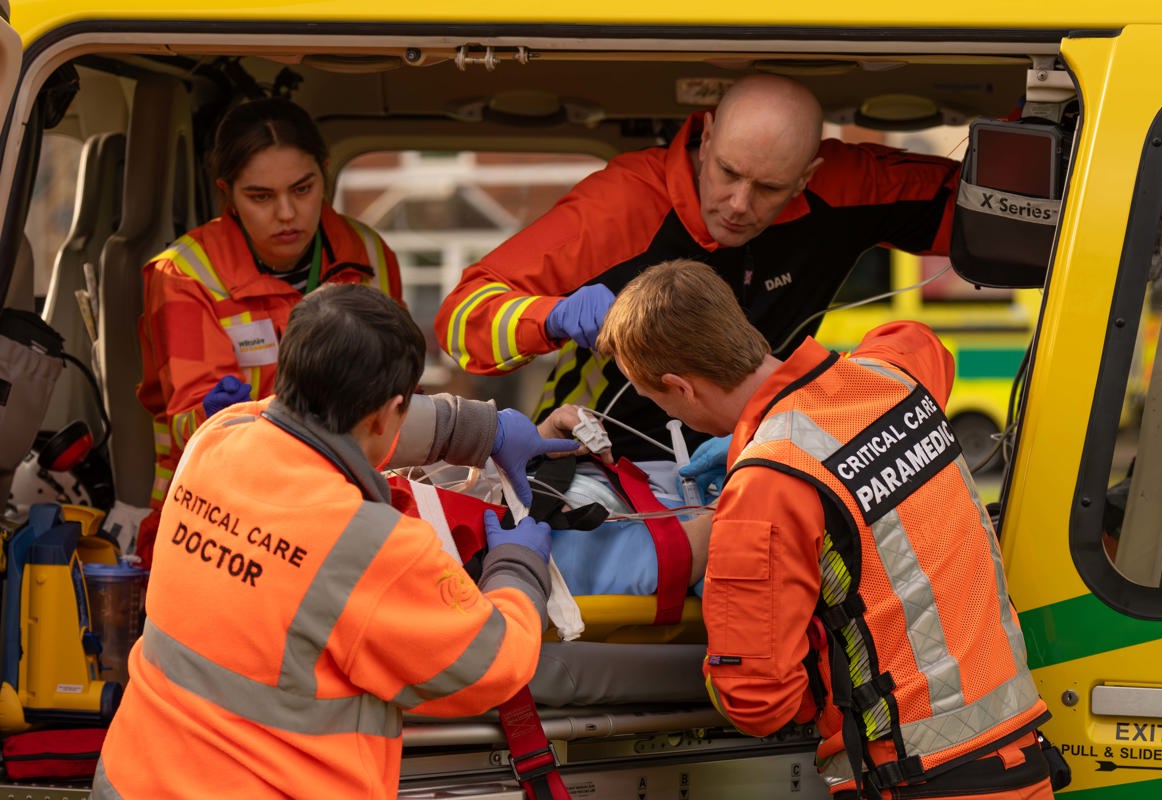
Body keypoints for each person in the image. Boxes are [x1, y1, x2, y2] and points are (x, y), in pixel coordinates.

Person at [595, 259, 1054, 799]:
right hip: (1019, 753)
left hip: (915, 777)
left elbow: (757, 700)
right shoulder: (891, 378)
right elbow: (914, 338)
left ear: (681, 388)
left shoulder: (765, 489)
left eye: (655, 401)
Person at [94, 284, 558, 798]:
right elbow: (491, 666)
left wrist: (472, 428)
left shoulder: (218, 437)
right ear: (387, 413)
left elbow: (311, 417)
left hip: (130, 777)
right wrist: (518, 569)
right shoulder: (371, 545)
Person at [435, 73, 960, 467]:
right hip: (594, 460)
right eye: (728, 172)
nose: (738, 204)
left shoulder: (845, 188)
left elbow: (997, 206)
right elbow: (460, 322)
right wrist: (553, 317)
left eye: (769, 188)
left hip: (761, 463)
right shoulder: (619, 207)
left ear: (806, 177)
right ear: (706, 138)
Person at [135, 97, 571, 566]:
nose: (287, 213)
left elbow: (393, 397)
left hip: (340, 509)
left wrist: (474, 438)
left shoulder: (367, 253)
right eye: (260, 197)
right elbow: (190, 426)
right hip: (213, 515)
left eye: (303, 189)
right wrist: (215, 416)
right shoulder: (185, 274)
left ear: (324, 172)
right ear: (227, 194)